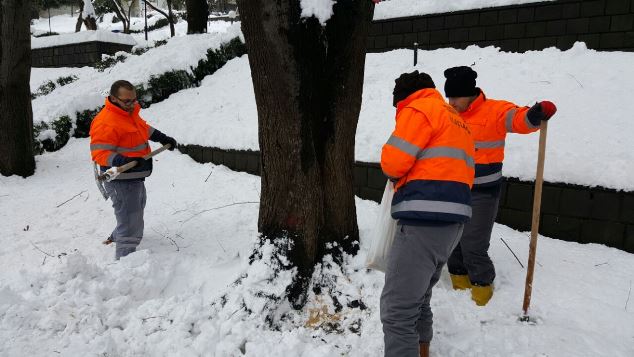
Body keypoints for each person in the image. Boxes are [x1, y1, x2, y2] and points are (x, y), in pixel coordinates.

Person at [443, 66, 557, 306]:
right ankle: (458, 280)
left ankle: (482, 287)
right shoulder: (447, 114)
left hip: (483, 192)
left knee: (474, 243)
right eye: (449, 97)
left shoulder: (494, 110)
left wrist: (534, 115)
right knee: (452, 240)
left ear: (470, 93)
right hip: (453, 188)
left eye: (456, 97)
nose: (452, 102)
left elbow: (519, 120)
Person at [380, 71, 475, 357]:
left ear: (402, 99)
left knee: (398, 310)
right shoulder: (456, 119)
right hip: (451, 223)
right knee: (419, 298)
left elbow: (393, 162)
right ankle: (422, 351)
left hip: (424, 222)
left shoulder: (419, 109)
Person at [90, 80, 177, 260]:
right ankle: (124, 262)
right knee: (131, 219)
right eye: (127, 101)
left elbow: (142, 128)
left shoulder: (128, 113)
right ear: (113, 98)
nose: (132, 105)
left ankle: (117, 234)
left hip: (135, 175)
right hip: (121, 179)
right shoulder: (106, 122)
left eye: (134, 100)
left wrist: (162, 137)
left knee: (136, 207)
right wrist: (124, 160)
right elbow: (100, 153)